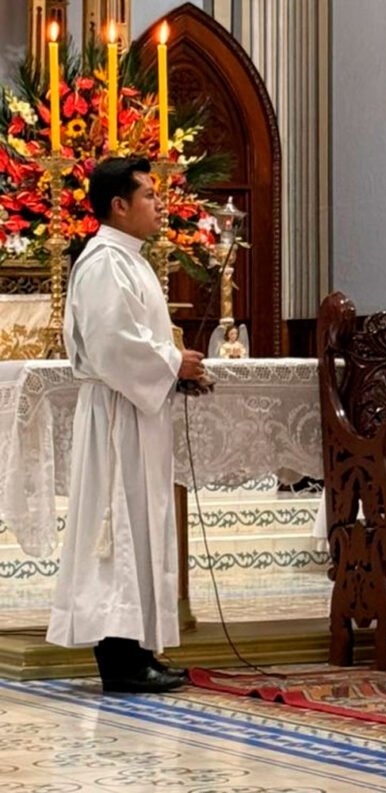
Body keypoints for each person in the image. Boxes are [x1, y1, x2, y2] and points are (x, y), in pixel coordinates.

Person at [46, 157, 207, 693]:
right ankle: (119, 659)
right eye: (149, 196)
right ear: (119, 205)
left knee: (139, 526)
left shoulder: (128, 260)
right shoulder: (104, 263)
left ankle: (138, 650)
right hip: (117, 416)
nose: (160, 205)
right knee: (118, 529)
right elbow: (113, 345)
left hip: (138, 411)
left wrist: (174, 370)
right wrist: (172, 363)